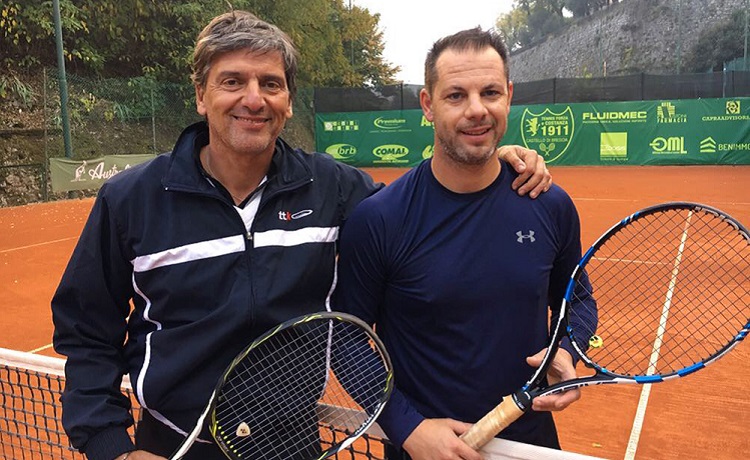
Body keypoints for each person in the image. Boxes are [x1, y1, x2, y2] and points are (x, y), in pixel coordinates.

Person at [51, 11, 551, 460]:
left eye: (270, 83)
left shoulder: (335, 188)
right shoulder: (130, 200)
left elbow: (420, 209)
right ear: (202, 95)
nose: (254, 98)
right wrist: (112, 447)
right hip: (173, 444)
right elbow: (86, 331)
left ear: (288, 101)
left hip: (293, 446)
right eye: (232, 81)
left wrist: (498, 161)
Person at [335, 27, 596, 460]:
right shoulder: (379, 218)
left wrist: (568, 349)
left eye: (490, 92)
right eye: (456, 95)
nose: (477, 110)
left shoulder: (550, 205)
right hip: (424, 449)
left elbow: (578, 298)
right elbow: (345, 340)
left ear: (508, 96)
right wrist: (408, 428)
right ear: (427, 105)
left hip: (529, 444)